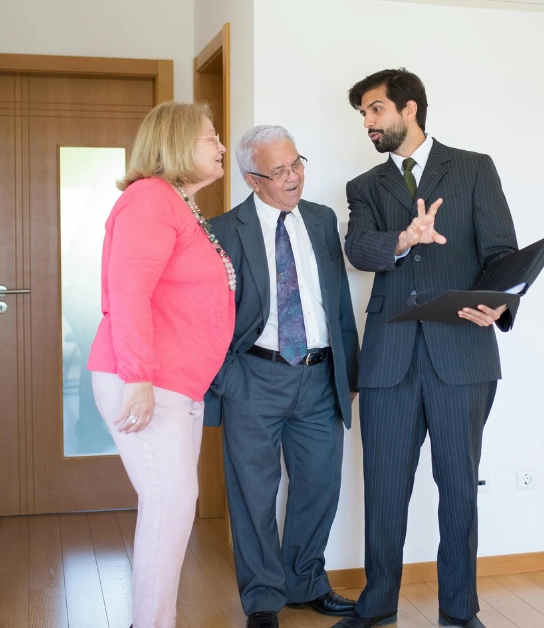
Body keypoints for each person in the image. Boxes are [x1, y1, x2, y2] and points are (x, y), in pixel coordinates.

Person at [335, 69, 519, 628]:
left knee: (459, 488)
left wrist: (502, 304)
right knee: (384, 490)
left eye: (375, 110)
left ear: (408, 109)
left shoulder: (472, 168)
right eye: (363, 114)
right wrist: (403, 239)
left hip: (462, 353)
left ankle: (460, 613)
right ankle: (377, 604)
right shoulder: (364, 187)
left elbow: (502, 253)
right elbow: (359, 251)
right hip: (390, 359)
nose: (367, 122)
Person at [86, 100, 236, 628]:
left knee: (172, 507)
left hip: (178, 385)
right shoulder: (150, 199)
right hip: (148, 379)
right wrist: (140, 377)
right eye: (211, 137)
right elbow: (128, 295)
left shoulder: (176, 204)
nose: (221, 147)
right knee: (170, 506)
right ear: (175, 144)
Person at [205, 125, 361, 628]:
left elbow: (337, 302)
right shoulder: (224, 230)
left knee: (319, 485)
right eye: (279, 171)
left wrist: (348, 371)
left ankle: (306, 582)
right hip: (255, 376)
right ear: (253, 180)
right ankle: (263, 599)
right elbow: (208, 316)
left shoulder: (320, 219)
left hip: (318, 375)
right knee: (253, 491)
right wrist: (226, 379)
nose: (293, 177)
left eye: (297, 164)